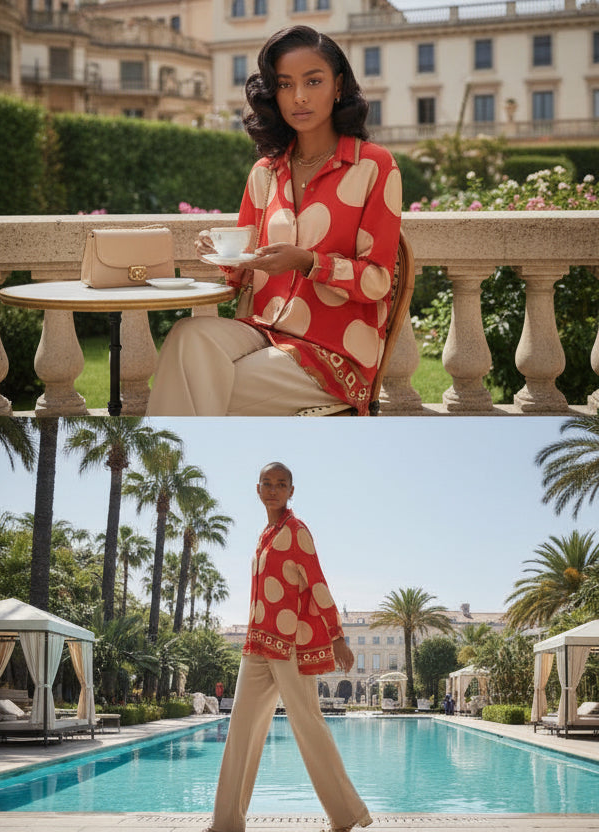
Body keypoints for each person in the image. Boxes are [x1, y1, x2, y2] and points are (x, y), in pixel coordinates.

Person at [148, 25, 402, 416]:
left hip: (330, 354)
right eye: (284, 85)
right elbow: (244, 273)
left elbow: (377, 281)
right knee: (187, 336)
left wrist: (307, 262)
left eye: (313, 81)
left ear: (338, 87)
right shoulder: (264, 173)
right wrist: (222, 256)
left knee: (199, 386)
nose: (298, 97)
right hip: (263, 330)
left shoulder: (374, 166)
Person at [207, 462, 370, 832]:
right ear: (258, 489)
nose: (274, 489)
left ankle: (345, 816)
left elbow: (318, 584)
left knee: (308, 725)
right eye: (267, 483)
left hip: (292, 646)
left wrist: (337, 636)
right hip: (256, 644)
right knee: (241, 729)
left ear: (291, 491)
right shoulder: (265, 534)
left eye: (281, 484)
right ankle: (226, 823)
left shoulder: (297, 531)